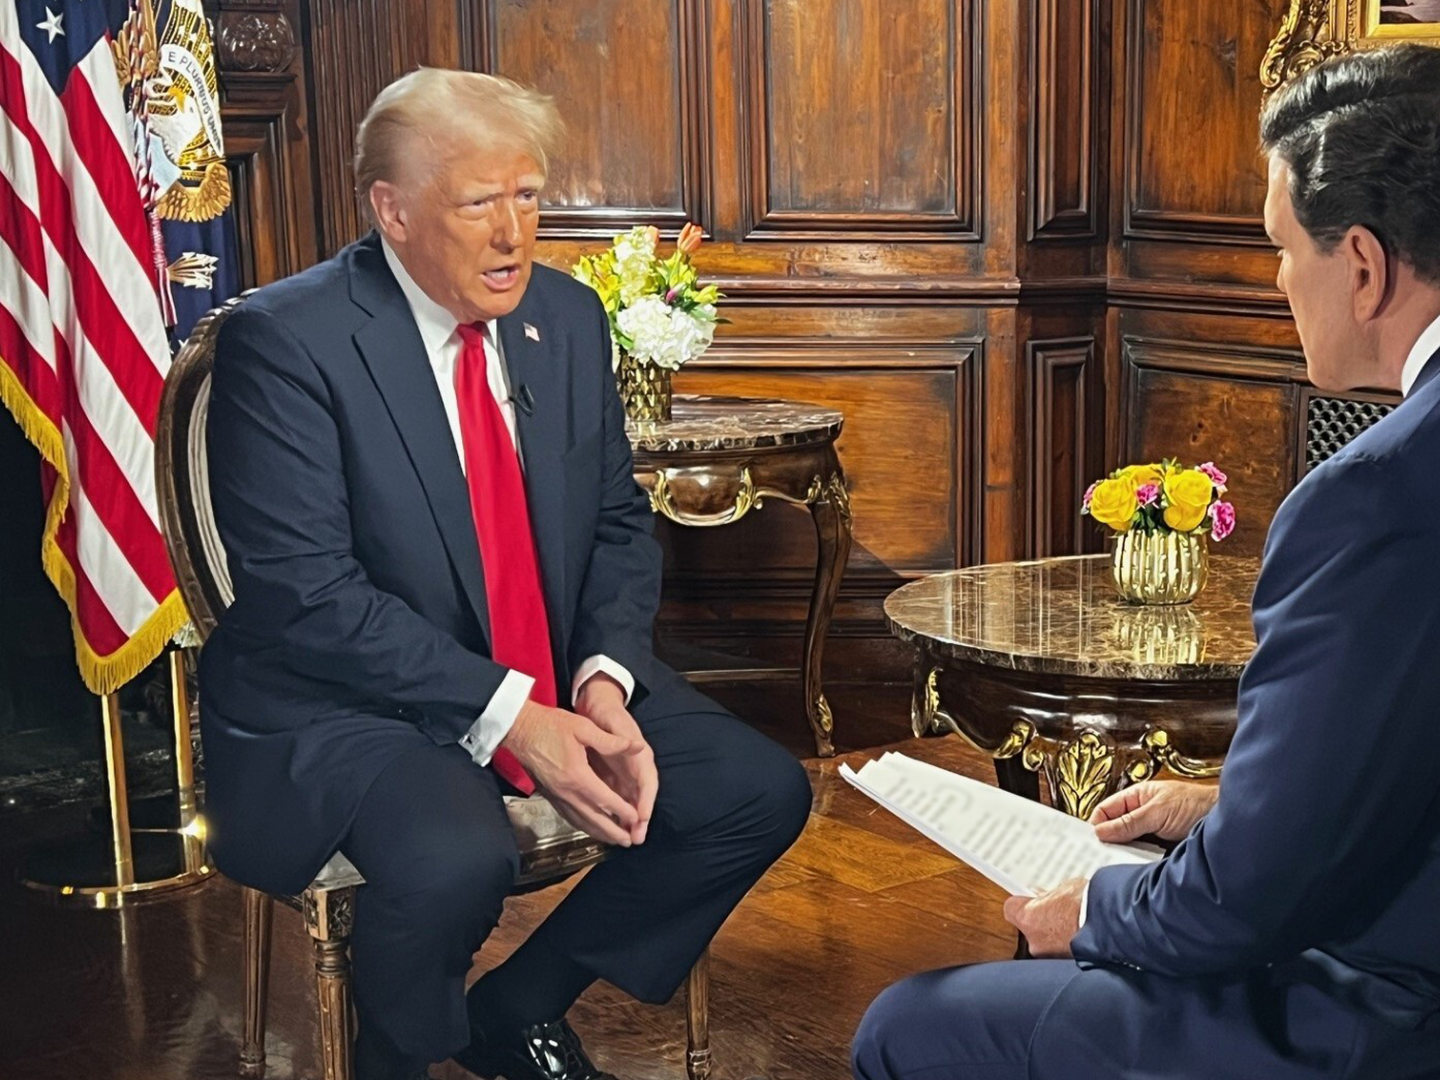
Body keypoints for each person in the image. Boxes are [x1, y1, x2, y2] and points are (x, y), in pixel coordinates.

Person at [199, 69, 811, 1080]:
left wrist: (602, 678)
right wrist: (513, 716)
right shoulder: (288, 340)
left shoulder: (565, 321)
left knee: (755, 790)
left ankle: (517, 1009)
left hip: (548, 658)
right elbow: (305, 595)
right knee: (453, 860)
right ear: (390, 211)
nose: (512, 233)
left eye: (527, 196)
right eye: (479, 202)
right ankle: (403, 1055)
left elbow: (616, 520)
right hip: (355, 701)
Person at [852, 42, 1440, 1080]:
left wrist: (1095, 908)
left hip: (1391, 1009)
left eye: (1278, 248)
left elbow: (1242, 906)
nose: (1275, 280)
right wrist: (1216, 806)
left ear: (1360, 265)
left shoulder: (1378, 496)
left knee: (911, 1023)